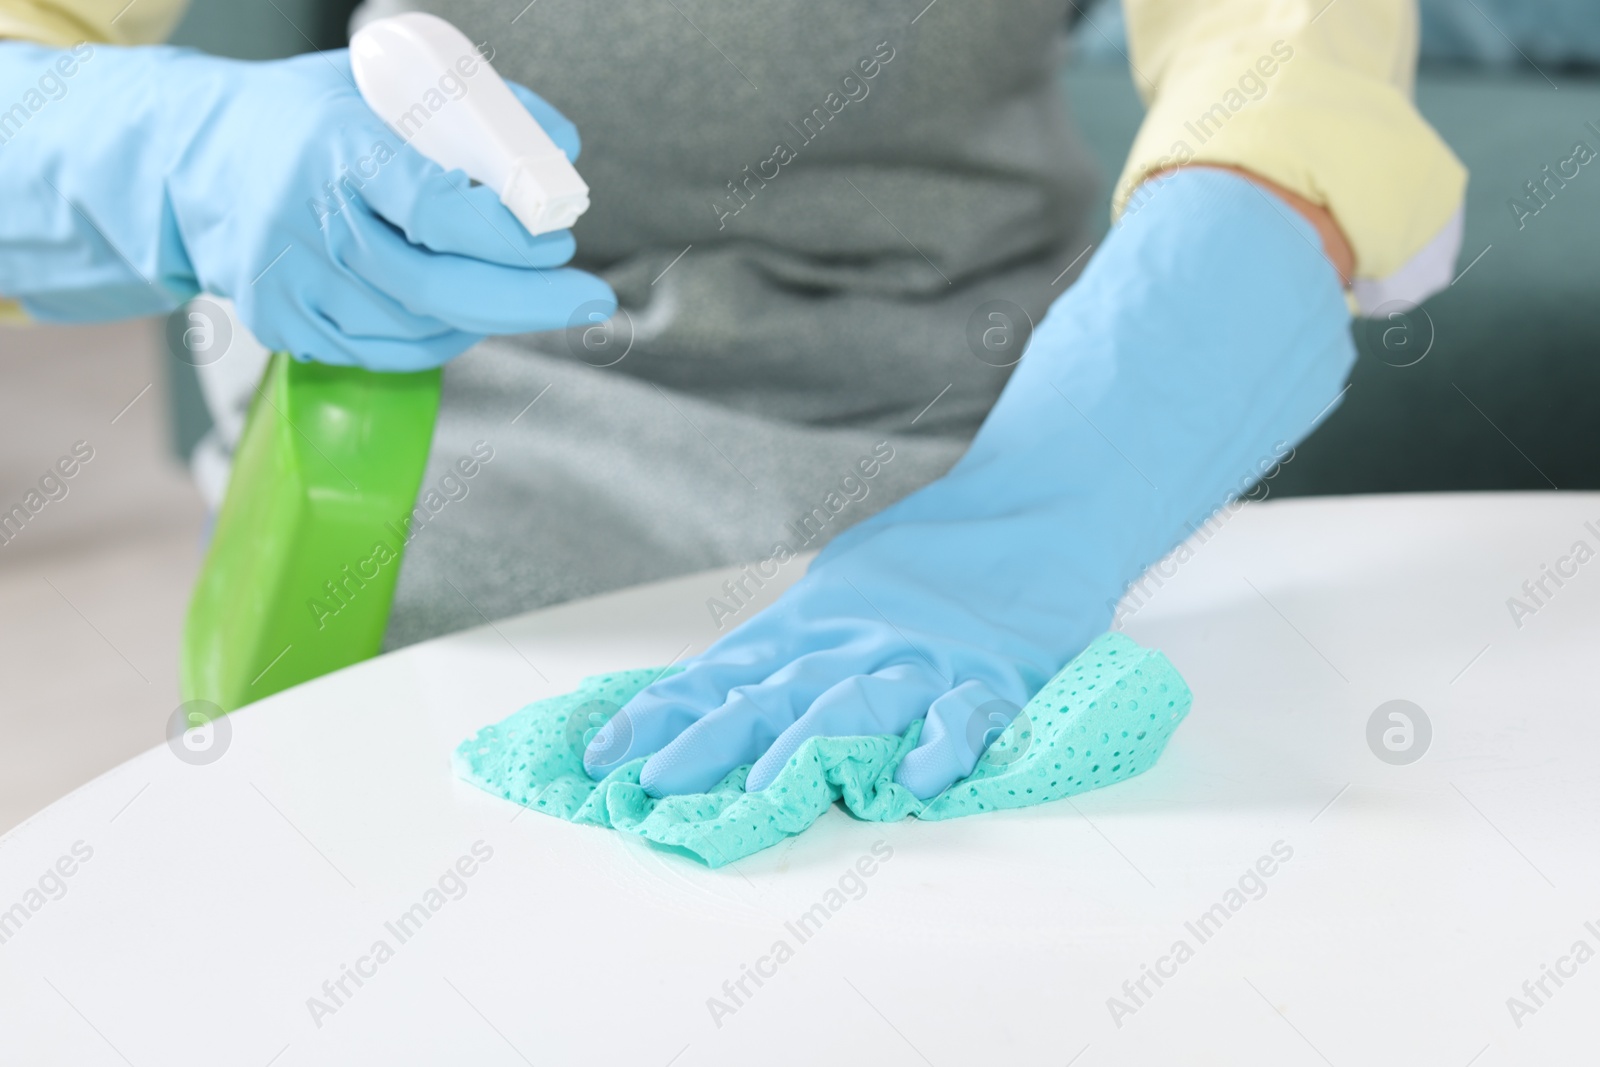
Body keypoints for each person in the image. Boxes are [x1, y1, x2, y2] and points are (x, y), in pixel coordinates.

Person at [0, 0, 1464, 799]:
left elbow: (1294, 84)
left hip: (994, 443)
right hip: (441, 447)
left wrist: (1024, 528)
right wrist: (163, 144)